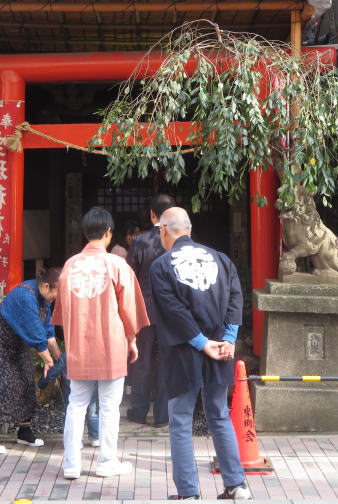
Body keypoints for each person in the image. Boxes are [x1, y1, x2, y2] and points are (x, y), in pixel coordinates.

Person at [149, 207, 250, 500]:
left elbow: (173, 310)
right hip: (220, 348)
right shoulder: (221, 259)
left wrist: (199, 342)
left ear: (165, 230)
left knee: (180, 419)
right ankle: (236, 484)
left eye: (159, 231)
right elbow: (235, 297)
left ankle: (189, 493)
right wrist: (228, 339)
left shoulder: (162, 265)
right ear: (189, 229)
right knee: (218, 413)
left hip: (185, 349)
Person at [53, 207, 149, 479]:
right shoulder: (117, 265)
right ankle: (107, 462)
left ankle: (72, 464)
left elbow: (61, 313)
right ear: (109, 233)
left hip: (79, 345)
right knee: (109, 406)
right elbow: (129, 310)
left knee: (76, 404)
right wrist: (132, 340)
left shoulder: (70, 265)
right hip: (110, 344)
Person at [0, 267, 61, 454]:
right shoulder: (25, 296)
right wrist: (49, 362)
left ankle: (24, 431)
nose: (56, 300)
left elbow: (48, 330)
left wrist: (57, 354)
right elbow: (36, 335)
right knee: (1, 386)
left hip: (18, 345)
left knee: (26, 384)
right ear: (47, 286)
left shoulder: (44, 298)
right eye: (56, 295)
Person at [126, 193, 175, 426]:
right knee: (167, 360)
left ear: (152, 214)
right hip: (172, 312)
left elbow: (129, 277)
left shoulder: (139, 241)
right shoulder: (177, 240)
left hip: (144, 309)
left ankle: (138, 411)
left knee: (142, 361)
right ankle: (163, 415)